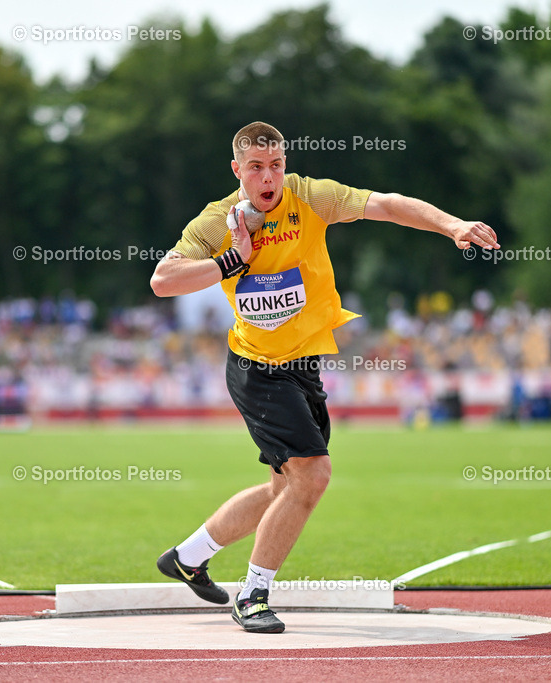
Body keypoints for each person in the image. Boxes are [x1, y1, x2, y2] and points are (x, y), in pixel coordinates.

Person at [150, 121, 499, 633]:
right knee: (312, 475)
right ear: (237, 171)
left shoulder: (311, 197)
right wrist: (232, 259)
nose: (268, 177)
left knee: (282, 489)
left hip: (303, 367)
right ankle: (253, 596)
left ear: (285, 164)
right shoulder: (215, 223)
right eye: (256, 168)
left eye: (276, 165)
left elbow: (386, 203)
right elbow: (163, 280)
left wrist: (450, 225)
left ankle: (186, 557)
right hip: (257, 369)